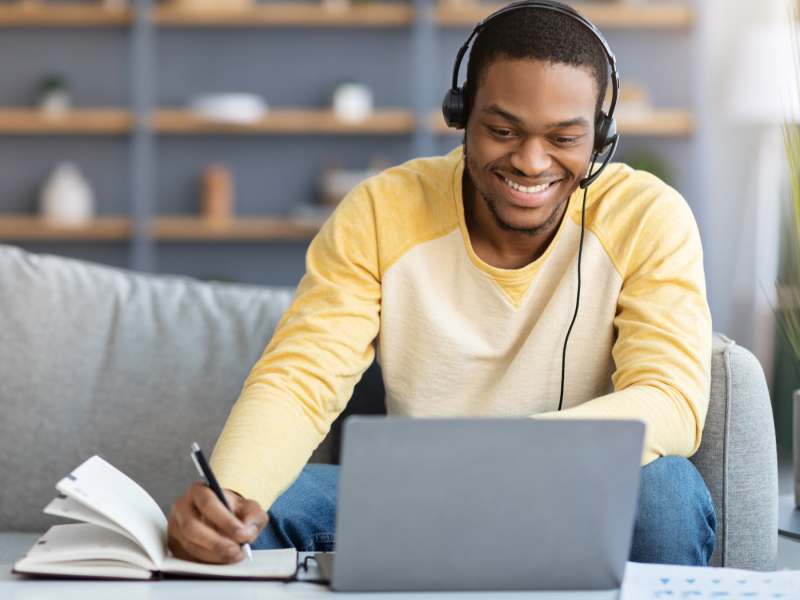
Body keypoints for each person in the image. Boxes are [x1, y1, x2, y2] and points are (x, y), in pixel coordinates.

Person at [167, 1, 715, 567]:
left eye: (563, 138)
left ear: (601, 136)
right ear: (461, 114)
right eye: (502, 130)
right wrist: (227, 497)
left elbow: (671, 399)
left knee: (668, 491)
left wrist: (489, 456)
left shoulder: (647, 217)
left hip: (580, 495)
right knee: (264, 509)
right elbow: (301, 378)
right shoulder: (383, 211)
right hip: (421, 499)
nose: (530, 162)